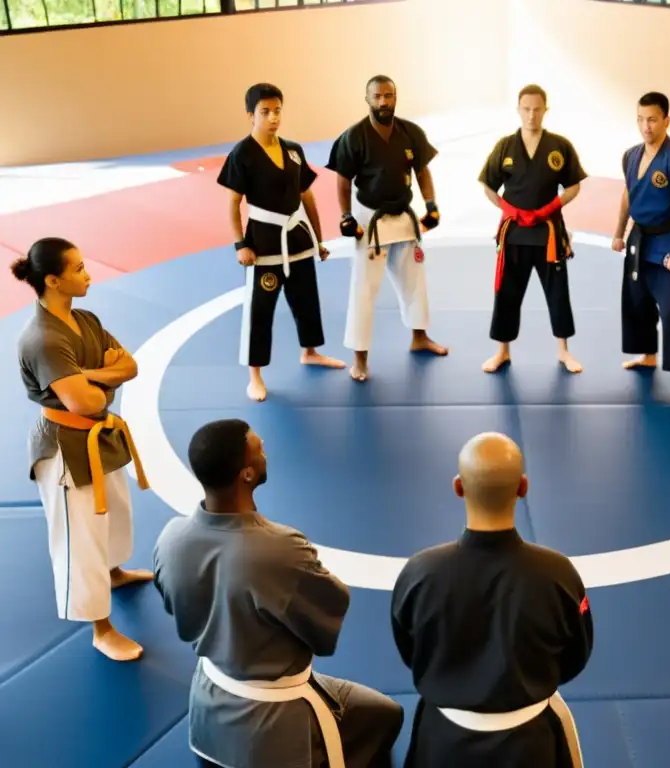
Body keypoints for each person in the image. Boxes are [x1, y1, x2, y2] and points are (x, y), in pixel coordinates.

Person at [152, 418, 404, 768]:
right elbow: (327, 620)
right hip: (275, 716)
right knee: (387, 715)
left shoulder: (170, 538)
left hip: (209, 698)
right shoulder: (281, 548)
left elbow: (176, 606)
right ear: (247, 475)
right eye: (259, 448)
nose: (265, 449)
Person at [391, 432, 593, 767]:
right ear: (523, 487)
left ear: (458, 487)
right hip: (531, 744)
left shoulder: (420, 573)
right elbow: (575, 656)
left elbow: (411, 651)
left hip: (441, 742)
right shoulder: (558, 574)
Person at [12, 237, 152, 663]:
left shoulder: (85, 319)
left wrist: (88, 373)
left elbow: (131, 364)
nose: (88, 275)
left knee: (113, 515)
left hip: (100, 437)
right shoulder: (43, 339)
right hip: (65, 447)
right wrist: (102, 378)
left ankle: (113, 572)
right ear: (52, 280)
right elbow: (85, 402)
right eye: (77, 269)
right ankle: (101, 628)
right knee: (81, 538)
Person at [216, 82, 344, 402]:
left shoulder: (292, 149)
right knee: (261, 310)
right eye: (265, 112)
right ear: (251, 116)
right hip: (263, 243)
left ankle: (310, 351)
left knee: (306, 300)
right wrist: (240, 245)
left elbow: (307, 194)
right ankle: (255, 375)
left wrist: (317, 237)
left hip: (297, 237)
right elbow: (232, 205)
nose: (273, 117)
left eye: (277, 111)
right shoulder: (242, 154)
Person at [325, 75, 448, 382]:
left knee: (414, 280)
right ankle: (360, 359)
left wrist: (431, 205)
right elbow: (343, 181)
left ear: (396, 97)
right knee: (364, 289)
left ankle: (419, 336)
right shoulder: (353, 137)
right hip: (371, 219)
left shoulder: (410, 132)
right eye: (377, 96)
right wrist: (346, 216)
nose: (383, 101)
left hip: (404, 216)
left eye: (388, 96)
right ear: (368, 99)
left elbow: (422, 171)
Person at [478, 84, 587, 374]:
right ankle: (502, 351)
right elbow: (488, 186)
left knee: (558, 292)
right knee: (507, 292)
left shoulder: (559, 146)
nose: (531, 115)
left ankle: (563, 351)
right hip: (514, 233)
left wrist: (552, 206)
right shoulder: (505, 146)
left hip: (548, 232)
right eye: (526, 109)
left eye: (537, 109)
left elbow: (574, 185)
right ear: (518, 110)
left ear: (545, 110)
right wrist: (508, 209)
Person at [611, 91, 670, 410]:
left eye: (652, 119)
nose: (645, 126)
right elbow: (628, 195)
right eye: (640, 119)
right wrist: (618, 232)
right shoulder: (631, 156)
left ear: (666, 120)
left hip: (666, 243)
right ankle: (648, 356)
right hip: (639, 240)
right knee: (638, 303)